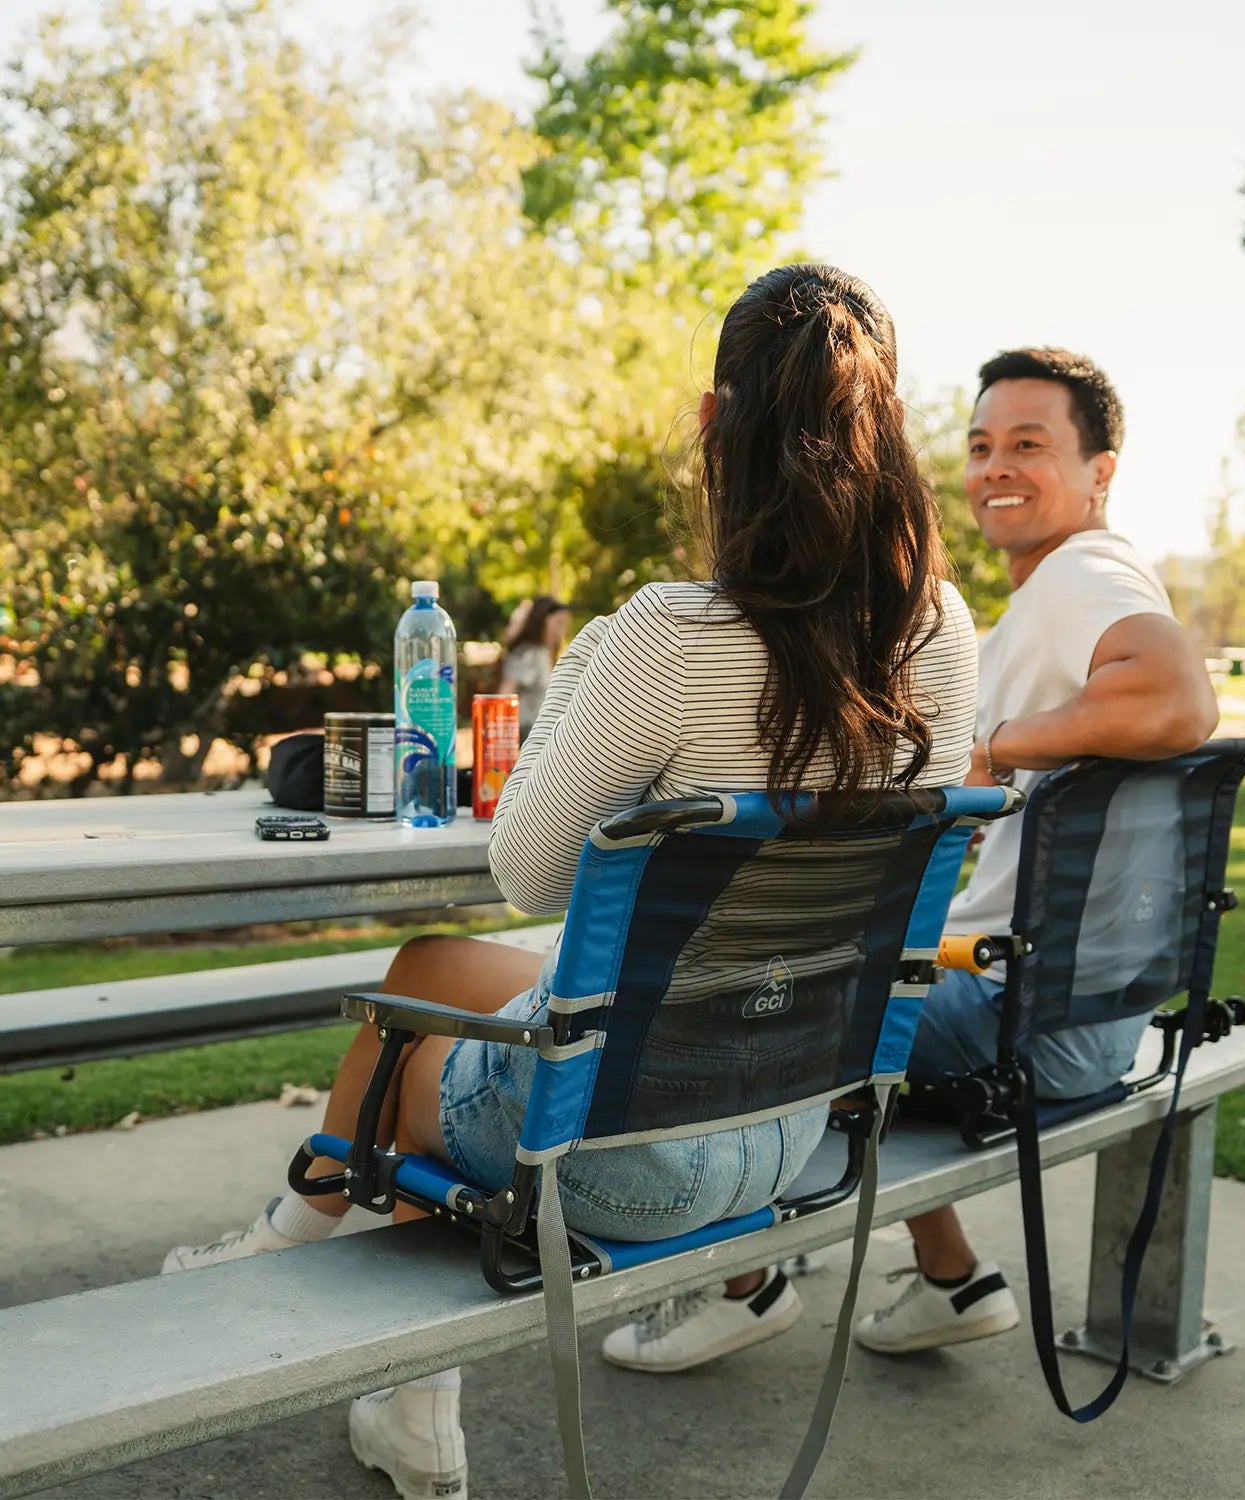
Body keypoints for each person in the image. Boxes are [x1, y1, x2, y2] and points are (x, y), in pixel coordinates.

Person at [160, 264, 979, 1500]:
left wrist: (589, 674)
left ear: (715, 423)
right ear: (889, 428)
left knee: (415, 1015)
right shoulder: (944, 630)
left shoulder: (663, 633)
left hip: (626, 1158)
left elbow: (525, 871)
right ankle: (375, 1360)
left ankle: (291, 1258)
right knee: (438, 983)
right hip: (801, 1134)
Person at [603, 346, 1219, 1374]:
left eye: (1030, 445)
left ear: (1101, 468)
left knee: (738, 990)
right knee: (830, 962)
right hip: (1086, 1005)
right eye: (980, 448)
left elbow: (1179, 700)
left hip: (1032, 1016)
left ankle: (743, 1281)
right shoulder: (1075, 586)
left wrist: (996, 744)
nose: (995, 470)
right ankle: (951, 1279)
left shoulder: (1082, 576)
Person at [498, 593, 572, 737]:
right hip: (525, 731)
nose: (562, 630)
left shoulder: (545, 654)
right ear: (542, 621)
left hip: (542, 730)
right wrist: (501, 733)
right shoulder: (528, 654)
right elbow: (507, 691)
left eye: (565, 624)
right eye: (558, 623)